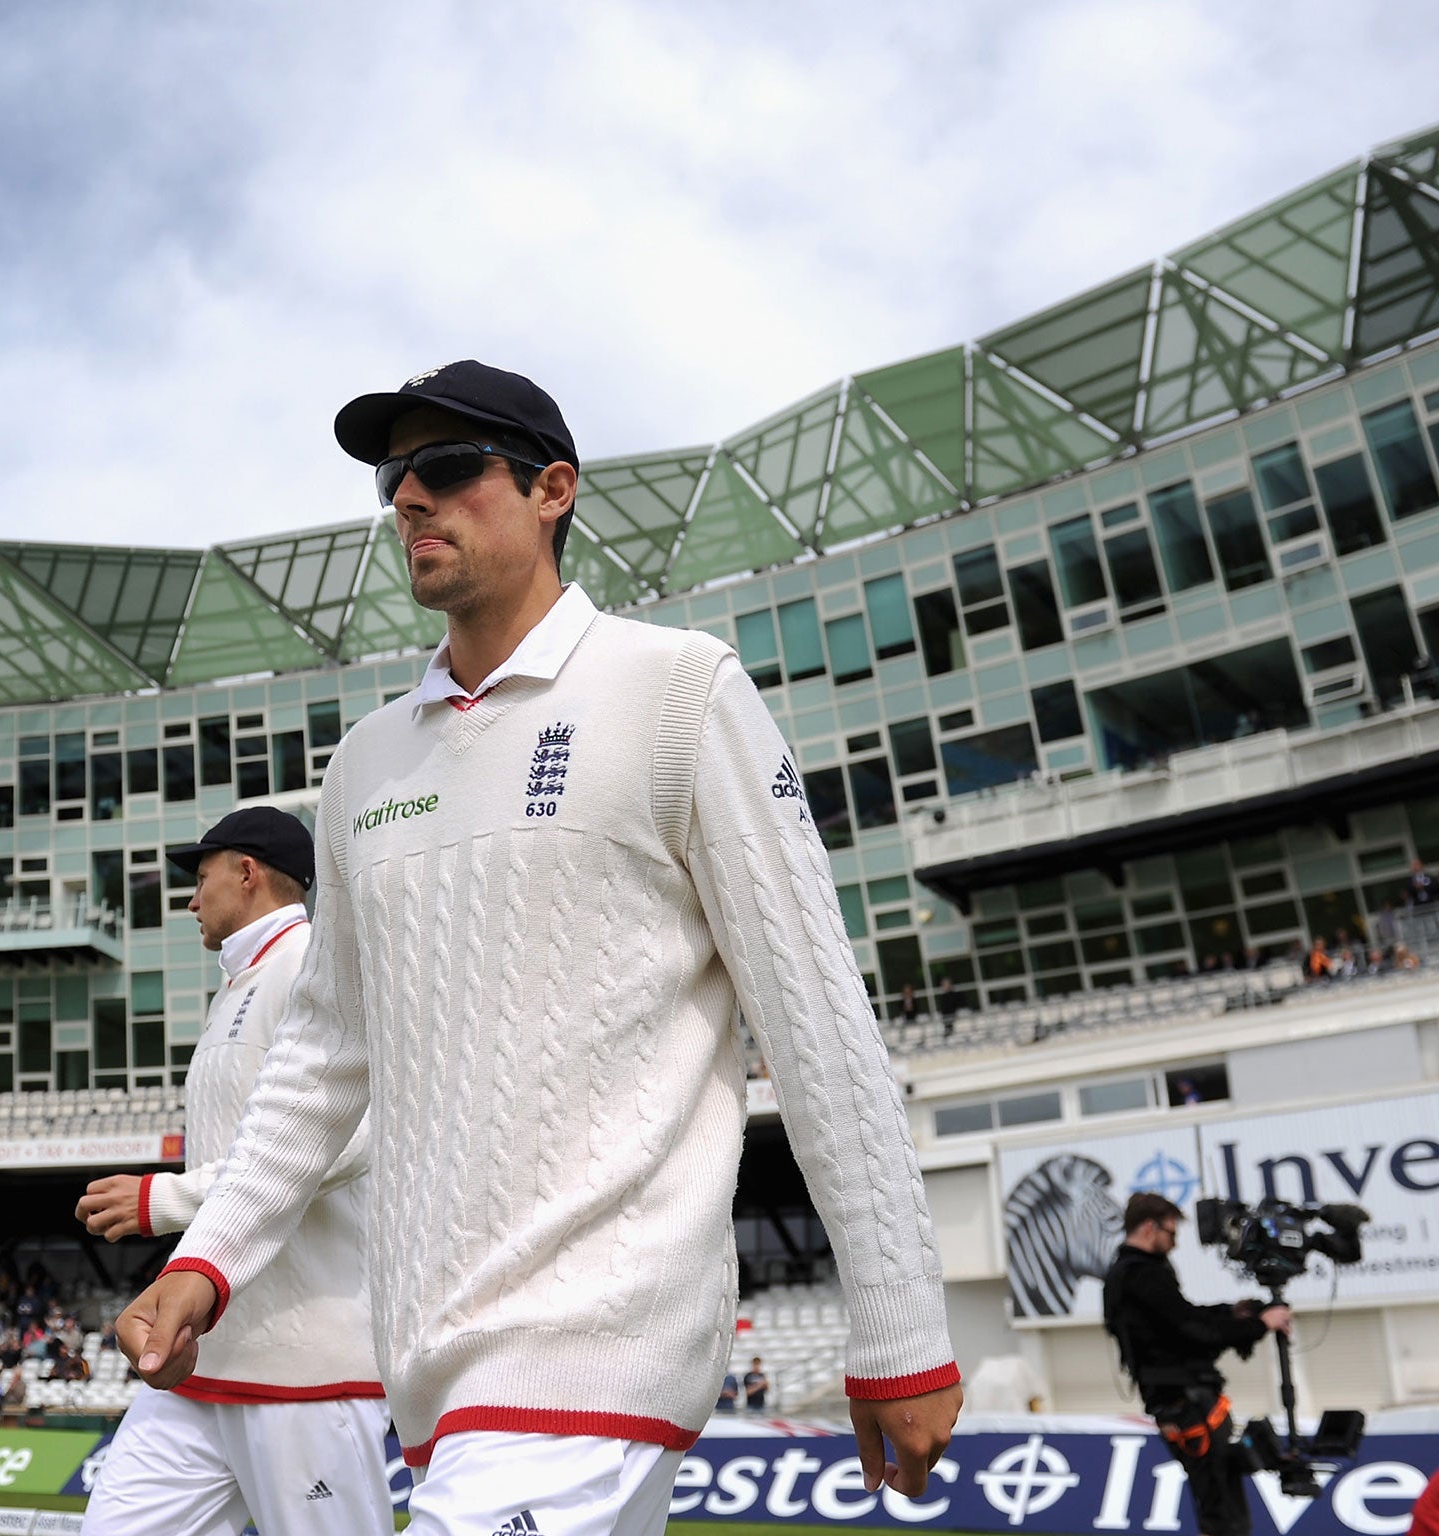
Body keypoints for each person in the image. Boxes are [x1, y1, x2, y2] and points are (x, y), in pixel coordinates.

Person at [110, 361, 961, 1535]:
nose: (409, 500)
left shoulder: (675, 689)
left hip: (601, 1342)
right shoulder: (364, 764)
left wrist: (900, 1326)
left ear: (552, 488)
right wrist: (204, 1259)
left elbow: (814, 1021)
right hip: (428, 1365)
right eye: (392, 479)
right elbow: (320, 1064)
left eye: (448, 469)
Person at [75, 807, 392, 1536]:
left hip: (305, 1368)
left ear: (246, 873)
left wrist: (170, 1199)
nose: (191, 897)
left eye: (202, 875)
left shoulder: (313, 963)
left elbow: (353, 1135)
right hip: (203, 1360)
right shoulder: (240, 985)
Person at [1102, 1192, 1291, 1536]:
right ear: (1149, 1228)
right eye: (1171, 1234)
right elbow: (1192, 1332)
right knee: (1221, 1506)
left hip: (1180, 1401)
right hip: (1187, 1402)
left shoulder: (1127, 1274)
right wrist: (1260, 1325)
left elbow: (1182, 1317)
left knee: (1220, 1494)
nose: (1173, 1244)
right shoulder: (1141, 1275)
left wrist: (1231, 1312)